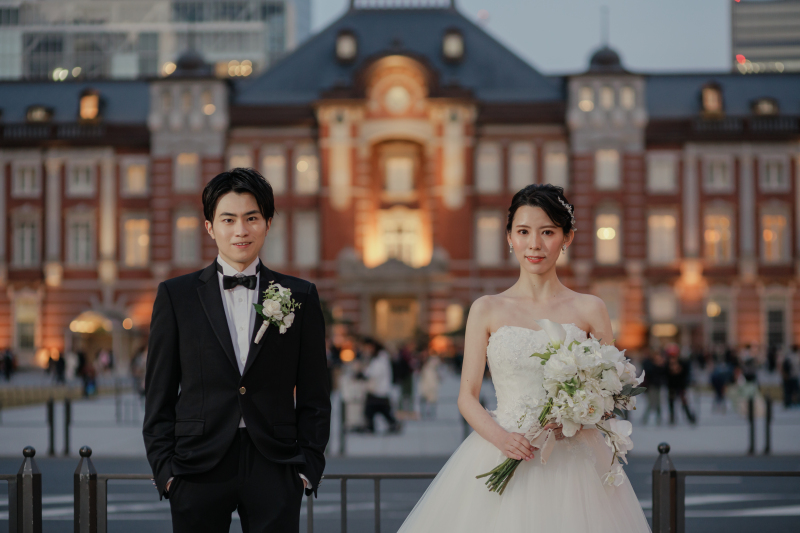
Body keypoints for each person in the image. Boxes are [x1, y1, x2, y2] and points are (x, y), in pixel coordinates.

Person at [397, 184, 649, 532]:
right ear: (510, 238)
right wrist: (502, 438)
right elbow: (466, 397)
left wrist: (577, 415)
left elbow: (610, 392)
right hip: (504, 446)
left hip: (574, 459)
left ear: (566, 238)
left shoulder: (591, 308)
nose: (535, 244)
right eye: (524, 232)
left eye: (547, 232)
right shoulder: (486, 309)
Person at [143, 168, 331, 533]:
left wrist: (308, 466)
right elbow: (158, 392)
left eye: (251, 218)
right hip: (196, 466)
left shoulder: (301, 295)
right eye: (228, 219)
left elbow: (315, 392)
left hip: (276, 464)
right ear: (210, 226)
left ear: (268, 223)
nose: (240, 230)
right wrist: (165, 470)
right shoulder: (175, 296)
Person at [363, 338, 401, 434]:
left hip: (379, 389)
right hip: (378, 389)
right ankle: (389, 424)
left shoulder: (381, 358)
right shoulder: (379, 357)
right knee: (379, 410)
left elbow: (375, 372)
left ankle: (372, 427)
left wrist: (364, 373)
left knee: (374, 409)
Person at [666, 345, 696, 425]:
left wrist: (679, 370)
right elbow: (664, 375)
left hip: (681, 386)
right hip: (671, 386)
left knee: (684, 402)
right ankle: (672, 418)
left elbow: (687, 374)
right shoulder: (667, 364)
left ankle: (690, 418)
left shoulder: (683, 363)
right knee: (671, 403)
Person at [641, 350, 665, 425]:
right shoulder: (649, 363)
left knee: (657, 403)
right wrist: (656, 365)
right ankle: (645, 418)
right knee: (651, 403)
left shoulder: (661, 365)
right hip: (651, 386)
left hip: (657, 386)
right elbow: (648, 372)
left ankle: (658, 418)